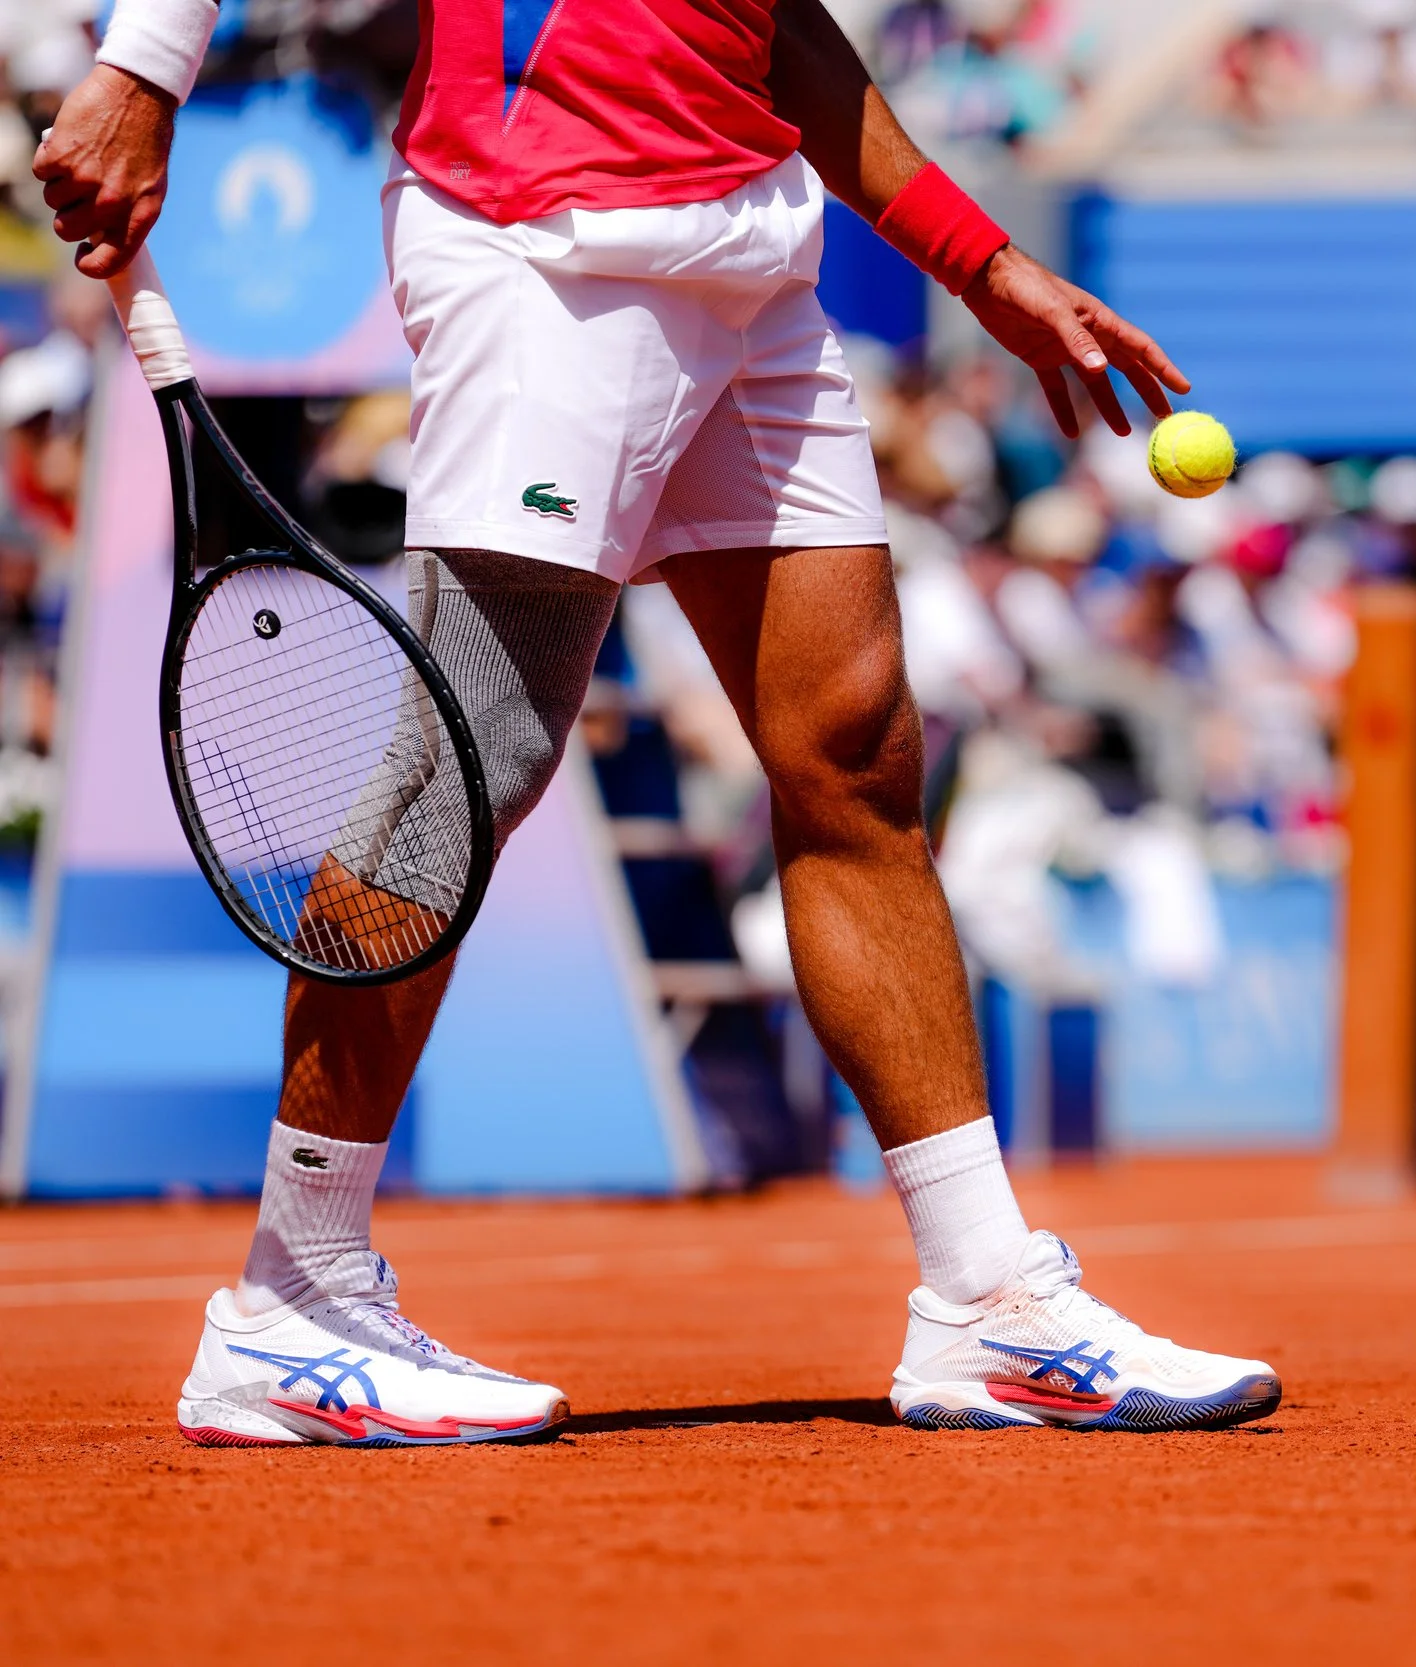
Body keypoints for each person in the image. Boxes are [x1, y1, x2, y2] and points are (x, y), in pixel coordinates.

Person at [33, 0, 1282, 1443]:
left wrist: (977, 261)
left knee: (856, 756)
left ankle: (989, 1300)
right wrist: (142, 73)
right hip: (546, 250)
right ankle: (288, 1301)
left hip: (755, 249)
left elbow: (785, 32)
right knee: (461, 769)